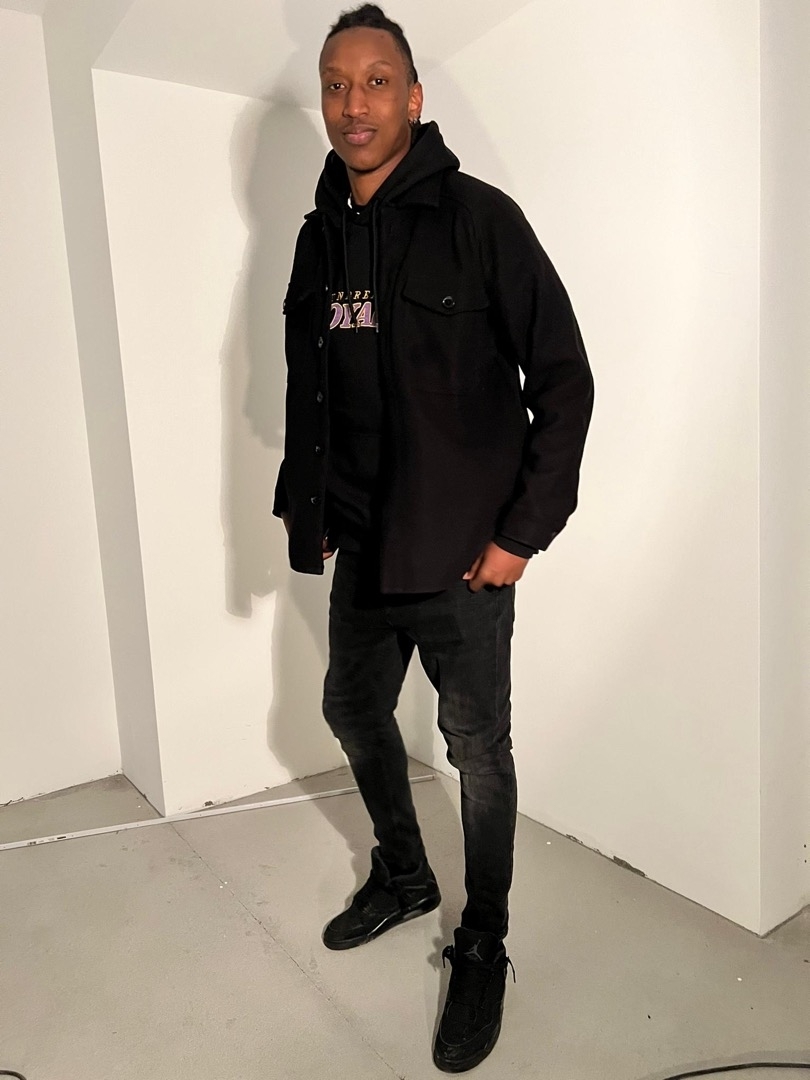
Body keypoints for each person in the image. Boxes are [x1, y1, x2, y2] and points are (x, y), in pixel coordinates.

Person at [273, 4, 593, 1071]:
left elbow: (564, 381)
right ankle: (406, 876)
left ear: (413, 98)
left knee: (477, 753)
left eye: (376, 81)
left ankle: (484, 938)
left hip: (464, 555)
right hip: (364, 543)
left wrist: (522, 535)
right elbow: (310, 388)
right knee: (350, 706)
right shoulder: (319, 238)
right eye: (335, 84)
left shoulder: (481, 220)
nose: (352, 103)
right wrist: (310, 508)